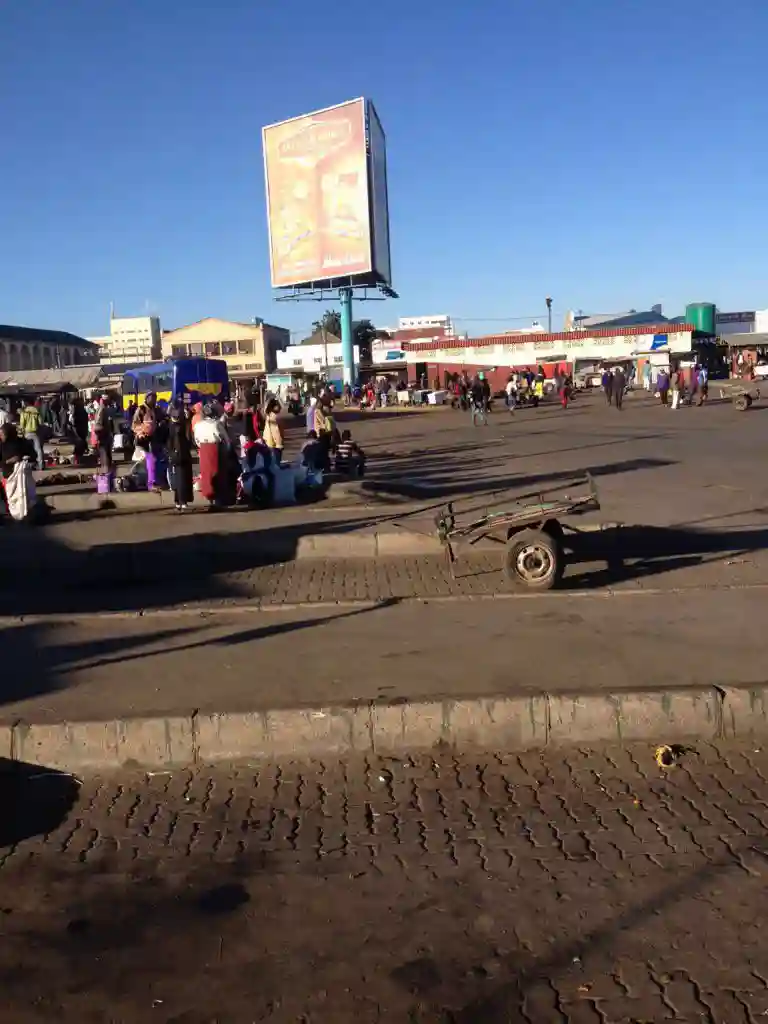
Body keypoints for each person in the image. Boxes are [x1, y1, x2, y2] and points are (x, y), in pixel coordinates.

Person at [168, 403, 194, 511]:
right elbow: (188, 440)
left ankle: (178, 501)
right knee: (183, 479)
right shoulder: (182, 426)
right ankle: (183, 501)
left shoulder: (170, 426)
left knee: (178, 479)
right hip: (182, 455)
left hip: (174, 456)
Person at [18, 398, 43, 471]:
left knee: (27, 450)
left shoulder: (24, 412)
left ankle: (27, 466)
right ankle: (40, 466)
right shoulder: (36, 410)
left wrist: (20, 432)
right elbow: (41, 422)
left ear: (26, 403)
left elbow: (22, 425)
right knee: (38, 450)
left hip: (27, 433)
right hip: (35, 433)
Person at [92, 394, 114, 474]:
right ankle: (106, 473)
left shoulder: (104, 408)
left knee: (106, 454)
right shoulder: (102, 409)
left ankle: (107, 472)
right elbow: (98, 424)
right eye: (108, 400)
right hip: (103, 435)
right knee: (105, 454)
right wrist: (100, 435)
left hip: (105, 435)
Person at [263, 399, 284, 465]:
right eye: (278, 406)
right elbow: (276, 432)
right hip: (274, 444)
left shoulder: (268, 415)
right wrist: (280, 444)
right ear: (274, 406)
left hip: (268, 441)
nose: (280, 407)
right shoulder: (274, 417)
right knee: (276, 464)